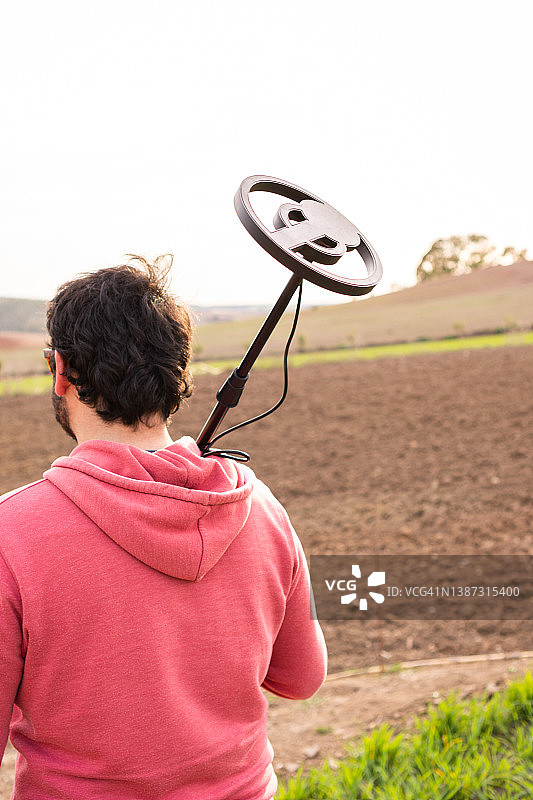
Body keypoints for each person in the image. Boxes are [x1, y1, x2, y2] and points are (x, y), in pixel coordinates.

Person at [0, 255, 327, 800]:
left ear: (61, 371)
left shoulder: (11, 533)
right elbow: (302, 677)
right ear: (179, 377)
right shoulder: (261, 506)